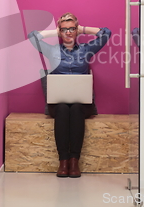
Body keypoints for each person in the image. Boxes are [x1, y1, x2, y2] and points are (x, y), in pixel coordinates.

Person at [28, 13, 111, 178]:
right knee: (64, 109)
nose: (68, 32)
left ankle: (74, 161)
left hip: (82, 105)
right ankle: (63, 161)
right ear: (60, 31)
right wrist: (55, 31)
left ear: (76, 30)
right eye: (65, 29)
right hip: (58, 104)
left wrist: (82, 29)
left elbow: (106, 33)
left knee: (76, 109)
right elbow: (32, 37)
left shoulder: (86, 49)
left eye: (72, 29)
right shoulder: (52, 51)